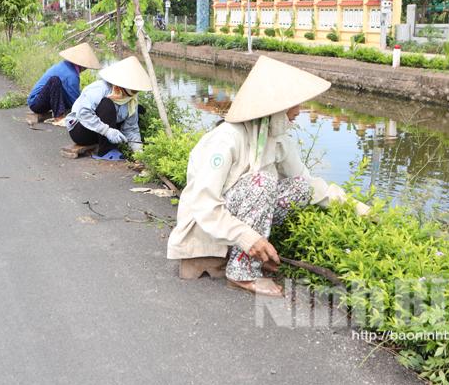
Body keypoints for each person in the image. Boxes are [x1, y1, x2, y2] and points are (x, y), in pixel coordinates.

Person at [166, 56, 370, 297]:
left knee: (301, 188)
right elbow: (204, 203)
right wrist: (248, 237)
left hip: (236, 221)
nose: (297, 113)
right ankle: (241, 273)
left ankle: (247, 255)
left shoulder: (277, 140)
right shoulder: (226, 139)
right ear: (272, 109)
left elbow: (310, 184)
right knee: (262, 180)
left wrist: (356, 207)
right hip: (207, 225)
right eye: (292, 107)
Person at [66, 56, 151, 159]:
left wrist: (138, 151)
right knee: (107, 104)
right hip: (80, 129)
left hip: (100, 132)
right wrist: (107, 131)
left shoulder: (131, 100)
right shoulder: (101, 88)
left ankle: (111, 146)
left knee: (140, 109)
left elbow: (131, 129)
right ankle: (106, 151)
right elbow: (83, 113)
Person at [27, 43, 102, 119]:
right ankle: (59, 117)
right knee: (54, 80)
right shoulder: (71, 75)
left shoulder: (65, 65)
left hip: (45, 100)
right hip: (36, 103)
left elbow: (72, 95)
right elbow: (75, 101)